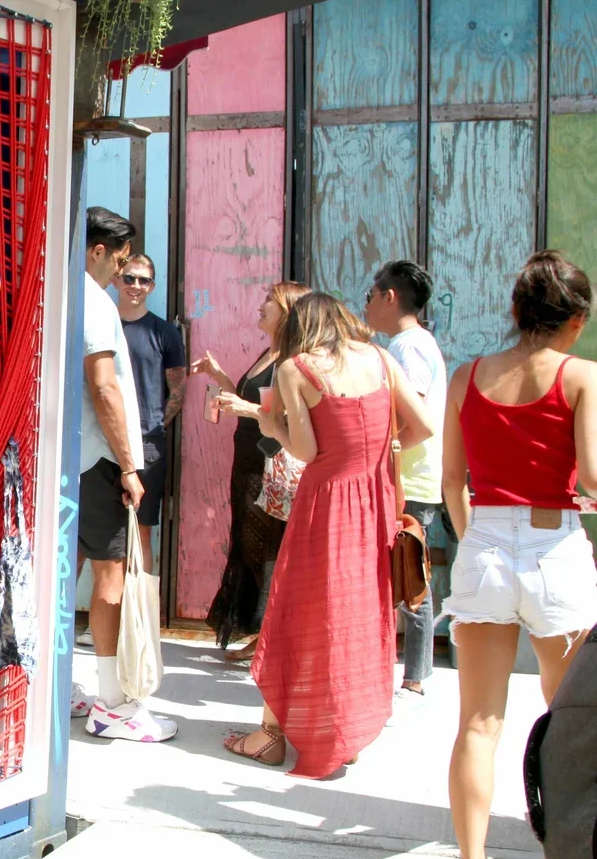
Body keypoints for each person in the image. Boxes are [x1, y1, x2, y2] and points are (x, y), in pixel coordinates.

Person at [227, 292, 433, 774]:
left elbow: (304, 449)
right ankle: (348, 732)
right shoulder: (381, 358)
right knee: (359, 614)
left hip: (327, 501)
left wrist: (268, 420)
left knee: (298, 610)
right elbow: (422, 425)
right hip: (375, 499)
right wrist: (380, 446)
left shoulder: (296, 369)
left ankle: (270, 736)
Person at [441, 251, 597, 859]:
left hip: (483, 545)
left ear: (516, 310)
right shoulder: (581, 377)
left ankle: (472, 857)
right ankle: (562, 843)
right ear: (576, 320)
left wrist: (477, 538)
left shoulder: (466, 376)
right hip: (553, 546)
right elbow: (589, 476)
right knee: (569, 718)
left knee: (478, 723)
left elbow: (454, 480)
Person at [77, 207, 176, 742]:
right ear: (98, 251)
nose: (122, 272)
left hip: (67, 457)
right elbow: (105, 385)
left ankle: (65, 687)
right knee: (111, 578)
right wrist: (131, 465)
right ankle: (113, 704)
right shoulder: (94, 302)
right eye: (119, 260)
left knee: (63, 570)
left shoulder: (58, 293)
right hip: (98, 458)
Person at [190, 280, 311, 661]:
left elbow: (282, 417)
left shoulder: (291, 359)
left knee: (267, 550)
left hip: (269, 463)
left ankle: (269, 639)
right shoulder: (269, 352)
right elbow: (251, 402)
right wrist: (221, 377)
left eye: (269, 302)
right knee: (247, 547)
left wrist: (244, 409)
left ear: (288, 312)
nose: (261, 307)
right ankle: (262, 636)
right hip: (246, 462)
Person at [363, 260, 447, 723]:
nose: (368, 305)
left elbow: (414, 422)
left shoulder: (407, 348)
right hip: (412, 477)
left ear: (389, 297)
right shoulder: (410, 343)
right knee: (407, 571)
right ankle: (413, 674)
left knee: (408, 573)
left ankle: (413, 679)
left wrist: (388, 450)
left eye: (371, 296)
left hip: (408, 480)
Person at [115, 254, 185, 573]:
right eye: (129, 278)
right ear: (117, 279)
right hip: (99, 439)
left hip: (147, 444)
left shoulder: (165, 333)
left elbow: (178, 391)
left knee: (141, 531)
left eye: (143, 280)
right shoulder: (100, 324)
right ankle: (62, 619)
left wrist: (154, 427)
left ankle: (141, 621)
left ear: (152, 286)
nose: (135, 286)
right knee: (89, 533)